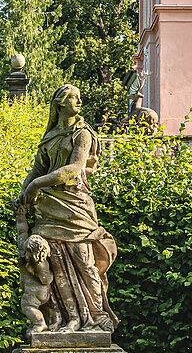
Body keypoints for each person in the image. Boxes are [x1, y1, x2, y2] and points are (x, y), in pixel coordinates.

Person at [16, 84, 118, 333]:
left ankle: (95, 316)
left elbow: (73, 170)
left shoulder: (83, 133)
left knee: (84, 262)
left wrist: (37, 185)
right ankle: (69, 318)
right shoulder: (50, 137)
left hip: (75, 206)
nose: (78, 102)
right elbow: (38, 169)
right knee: (58, 264)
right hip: (49, 208)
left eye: (79, 98)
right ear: (59, 103)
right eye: (73, 98)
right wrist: (23, 192)